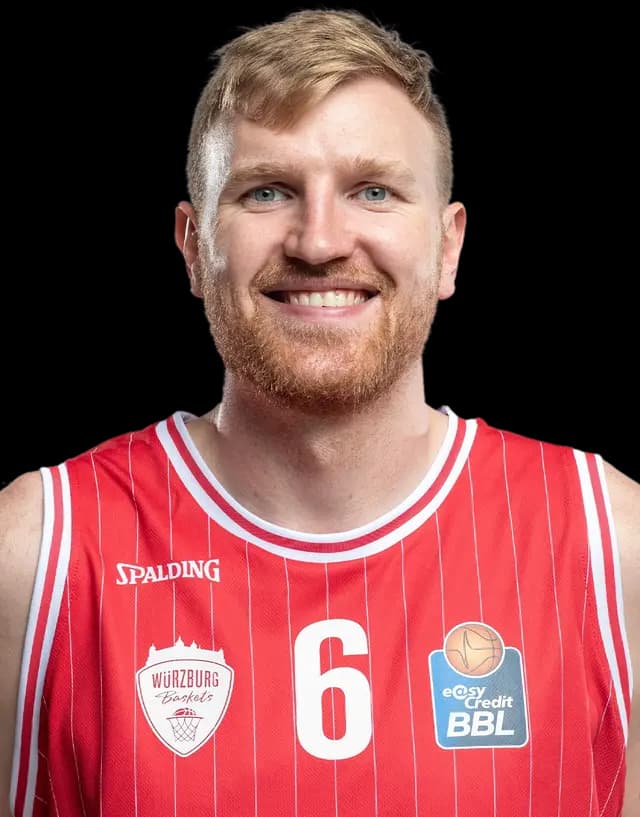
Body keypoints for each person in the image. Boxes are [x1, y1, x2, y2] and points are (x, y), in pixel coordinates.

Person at [1, 8, 637, 816]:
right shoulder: (36, 551)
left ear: (448, 246)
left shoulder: (612, 543)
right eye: (267, 191)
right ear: (193, 246)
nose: (320, 241)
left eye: (373, 190)